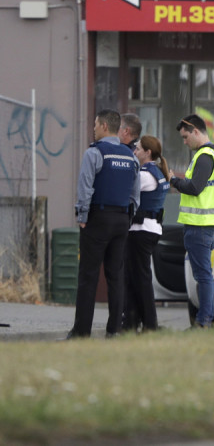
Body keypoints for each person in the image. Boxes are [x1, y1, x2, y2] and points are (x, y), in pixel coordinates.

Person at [67, 109, 140, 339]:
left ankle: (81, 332)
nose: (94, 129)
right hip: (121, 221)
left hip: (98, 219)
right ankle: (114, 330)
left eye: (96, 125)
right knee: (115, 277)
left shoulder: (95, 153)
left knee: (88, 276)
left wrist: (82, 216)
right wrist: (127, 217)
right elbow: (135, 194)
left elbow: (85, 187)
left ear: (105, 126)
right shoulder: (131, 157)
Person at [168, 114, 214, 327]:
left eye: (185, 137)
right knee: (204, 275)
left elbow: (194, 188)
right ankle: (204, 320)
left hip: (199, 225)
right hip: (204, 224)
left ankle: (203, 321)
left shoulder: (204, 156)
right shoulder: (212, 155)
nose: (185, 142)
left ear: (195, 131)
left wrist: (173, 180)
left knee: (203, 276)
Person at [123, 135, 170, 332]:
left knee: (139, 278)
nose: (135, 152)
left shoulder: (144, 175)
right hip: (151, 229)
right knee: (136, 277)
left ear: (148, 153)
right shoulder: (158, 172)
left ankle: (149, 324)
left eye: (138, 149)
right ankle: (134, 322)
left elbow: (124, 191)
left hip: (140, 231)